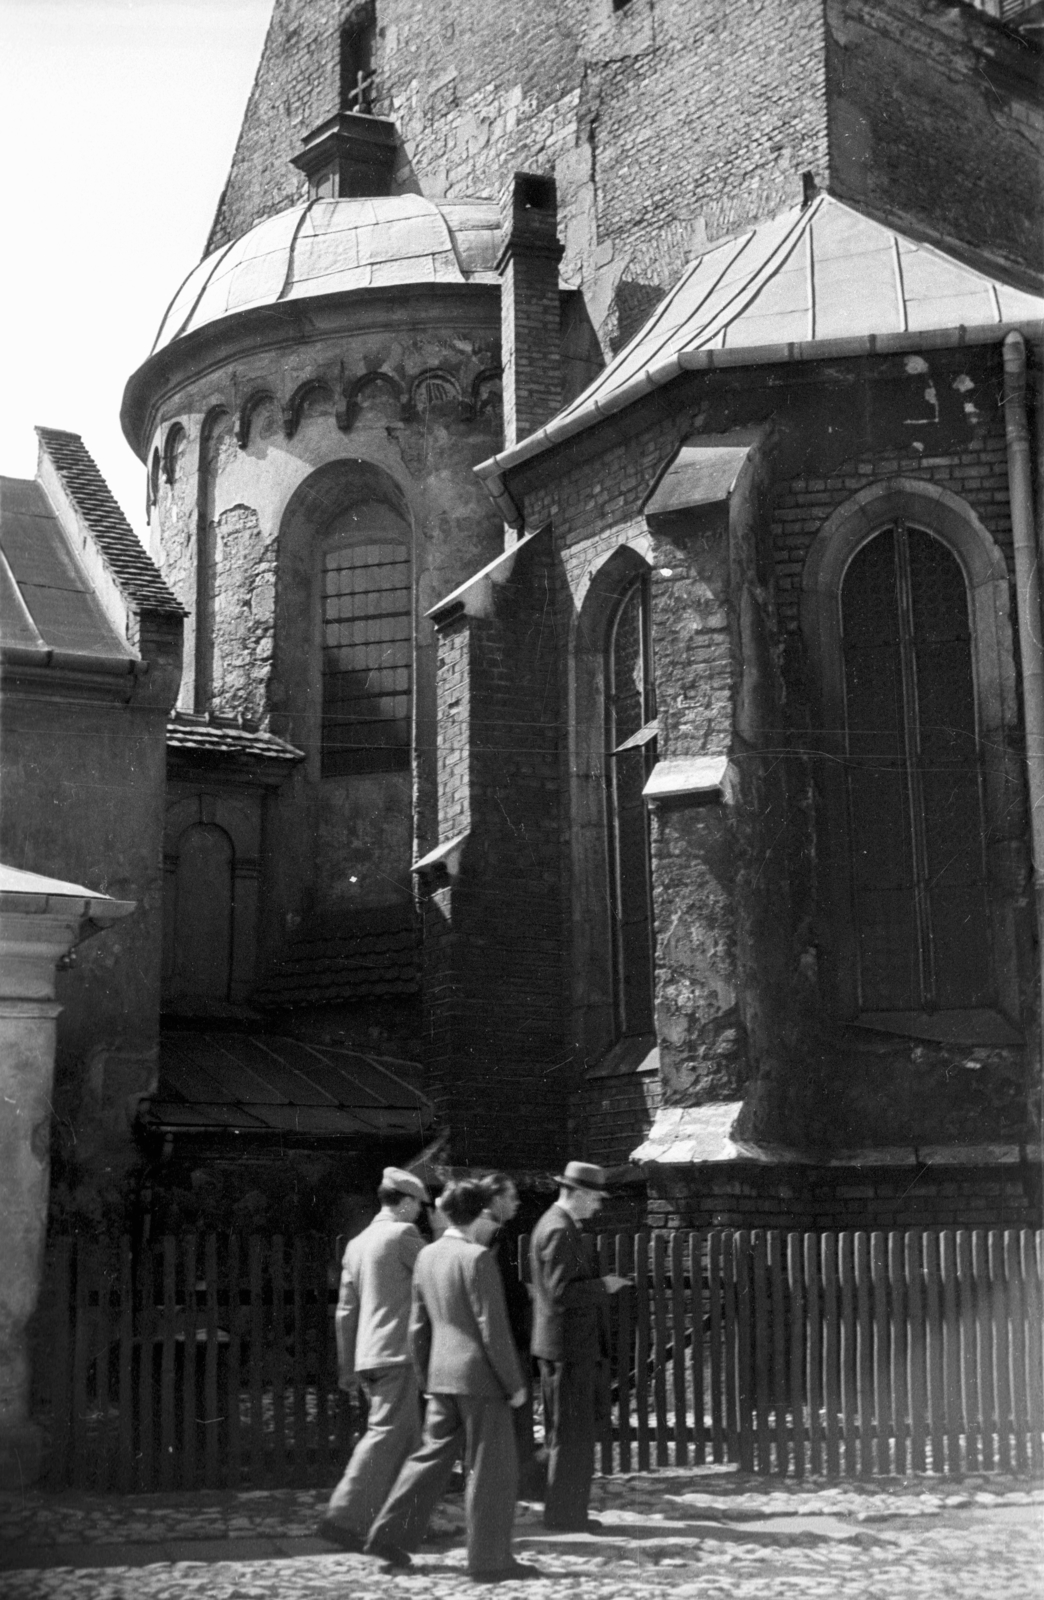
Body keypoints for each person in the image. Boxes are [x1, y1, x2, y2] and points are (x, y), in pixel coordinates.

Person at [365, 1178, 540, 1583]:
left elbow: (417, 1325)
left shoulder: (428, 1256)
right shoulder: (477, 1258)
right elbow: (492, 1329)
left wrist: (427, 1377)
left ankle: (388, 1535)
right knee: (490, 1470)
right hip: (481, 1381)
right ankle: (489, 1560)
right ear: (481, 1213)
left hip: (442, 1378)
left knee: (429, 1460)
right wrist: (514, 1384)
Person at [317, 1165, 431, 1552]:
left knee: (408, 1441)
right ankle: (343, 1517)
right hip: (398, 1354)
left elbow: (345, 1312)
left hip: (369, 1357)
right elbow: (438, 1272)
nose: (420, 1213)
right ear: (408, 1202)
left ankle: (404, 1524)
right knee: (386, 1437)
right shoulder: (403, 1235)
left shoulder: (357, 1244)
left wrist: (347, 1367)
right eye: (420, 1205)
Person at [529, 1160, 629, 1533]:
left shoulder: (554, 1225)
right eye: (595, 1198)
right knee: (571, 1435)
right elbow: (561, 1292)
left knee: (564, 1433)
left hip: (559, 1346)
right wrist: (604, 1286)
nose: (598, 1206)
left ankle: (562, 1511)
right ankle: (566, 1516)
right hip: (568, 1348)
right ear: (579, 1193)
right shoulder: (561, 1230)